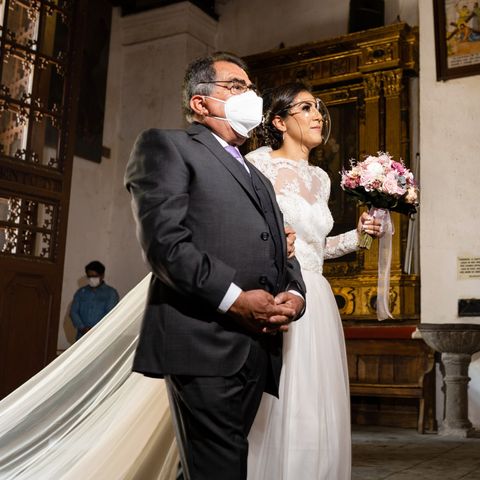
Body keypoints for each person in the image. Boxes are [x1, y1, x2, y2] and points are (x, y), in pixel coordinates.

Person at [124, 53, 306, 480]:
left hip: (256, 346)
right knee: (220, 467)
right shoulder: (166, 146)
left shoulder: (258, 175)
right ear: (201, 103)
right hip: (203, 337)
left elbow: (281, 244)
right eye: (237, 87)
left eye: (251, 87)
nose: (251, 96)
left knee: (215, 465)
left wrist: (294, 297)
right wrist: (235, 298)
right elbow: (165, 244)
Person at [245, 82, 382, 480]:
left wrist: (359, 235)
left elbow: (315, 247)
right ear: (279, 121)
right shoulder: (259, 164)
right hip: (278, 290)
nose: (318, 114)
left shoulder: (321, 177)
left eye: (318, 107)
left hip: (317, 296)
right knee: (282, 395)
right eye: (305, 108)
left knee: (315, 400)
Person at [70, 260, 119, 340]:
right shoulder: (81, 292)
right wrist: (82, 328)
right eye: (89, 276)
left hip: (101, 337)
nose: (92, 279)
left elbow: (110, 315)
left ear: (102, 276)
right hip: (82, 336)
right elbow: (73, 312)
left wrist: (96, 330)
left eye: (95, 276)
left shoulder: (110, 293)